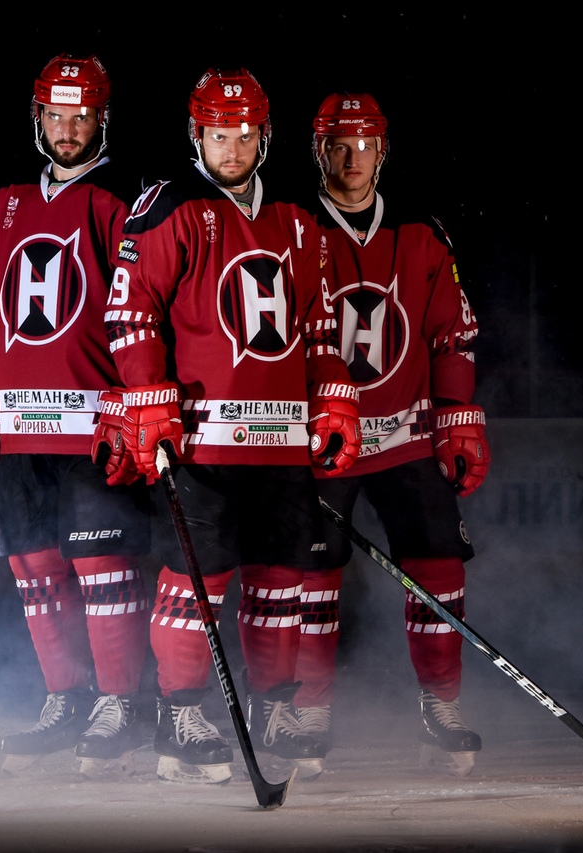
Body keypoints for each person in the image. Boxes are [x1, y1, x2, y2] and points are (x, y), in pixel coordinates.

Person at [102, 67, 361, 784]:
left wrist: (333, 393)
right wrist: (147, 394)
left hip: (281, 442)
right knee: (198, 578)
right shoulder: (169, 206)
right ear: (197, 135)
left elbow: (319, 328)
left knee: (280, 579)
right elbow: (130, 312)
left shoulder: (297, 219)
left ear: (264, 136)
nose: (233, 148)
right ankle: (178, 716)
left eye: (245, 135)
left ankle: (270, 708)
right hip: (203, 441)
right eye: (219, 135)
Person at [0, 53, 154, 779]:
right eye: (55, 116)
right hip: (22, 419)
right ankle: (68, 696)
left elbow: (143, 309)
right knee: (33, 566)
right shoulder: (4, 205)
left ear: (102, 119)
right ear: (38, 118)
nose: (67, 129)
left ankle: (122, 705)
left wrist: (135, 394)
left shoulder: (124, 201)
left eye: (80, 116)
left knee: (100, 565)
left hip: (95, 421)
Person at [297, 92, 491, 776]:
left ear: (384, 149)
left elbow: (451, 333)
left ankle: (441, 706)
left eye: (365, 145)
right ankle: (308, 710)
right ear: (318, 150)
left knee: (439, 563)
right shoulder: (293, 229)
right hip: (321, 439)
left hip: (406, 435)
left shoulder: (420, 233)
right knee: (311, 573)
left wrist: (456, 414)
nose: (352, 159)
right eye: (338, 146)